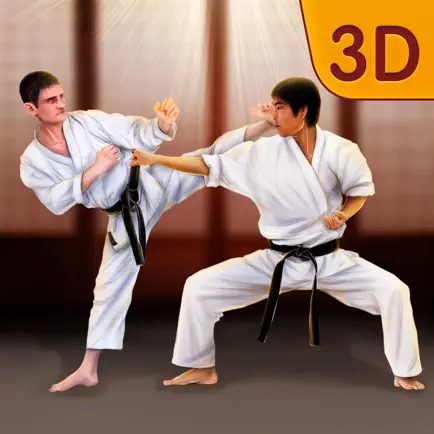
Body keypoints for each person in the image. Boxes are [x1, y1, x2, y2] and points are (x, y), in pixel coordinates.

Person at [130, 77, 425, 391]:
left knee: (395, 291)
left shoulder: (341, 149)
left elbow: (358, 192)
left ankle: (404, 372)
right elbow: (207, 165)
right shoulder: (262, 152)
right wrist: (155, 159)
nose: (273, 115)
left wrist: (343, 214)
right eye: (273, 107)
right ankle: (201, 368)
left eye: (280, 108)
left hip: (329, 259)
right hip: (277, 259)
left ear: (303, 112)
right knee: (199, 286)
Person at [19, 70, 275, 392]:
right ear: (31, 108)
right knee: (108, 287)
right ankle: (88, 369)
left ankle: (267, 127)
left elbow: (131, 130)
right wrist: (95, 169)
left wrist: (161, 126)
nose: (61, 104)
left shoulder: (87, 121)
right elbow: (56, 201)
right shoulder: (32, 161)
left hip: (152, 181)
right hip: (125, 216)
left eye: (61, 96)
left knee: (210, 156)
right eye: (51, 100)